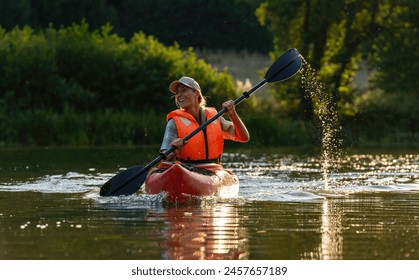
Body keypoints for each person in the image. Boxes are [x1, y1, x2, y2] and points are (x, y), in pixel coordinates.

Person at [160, 76, 250, 164]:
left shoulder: (214, 117)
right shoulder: (174, 122)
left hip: (213, 169)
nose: (179, 95)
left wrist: (232, 114)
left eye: (184, 90)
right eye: (177, 93)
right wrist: (174, 151)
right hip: (187, 170)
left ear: (196, 93)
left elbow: (243, 137)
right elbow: (164, 160)